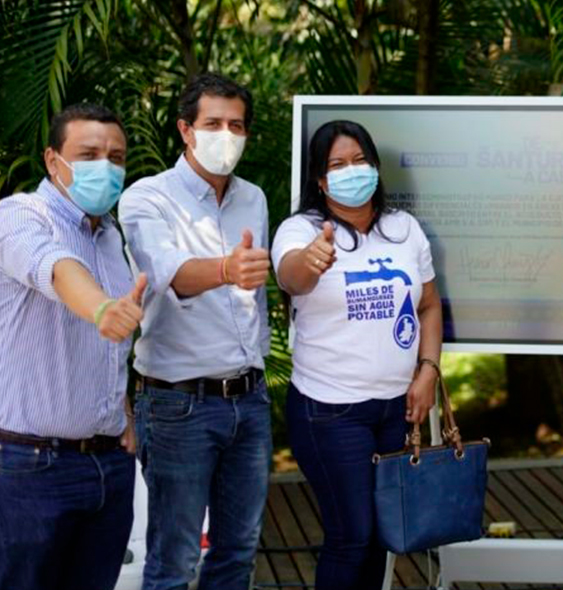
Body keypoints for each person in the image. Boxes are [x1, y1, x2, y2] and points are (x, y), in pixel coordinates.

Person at [272, 120, 442, 589]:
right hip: (331, 412)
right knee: (352, 534)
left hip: (396, 410)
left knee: (380, 538)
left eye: (360, 161)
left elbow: (427, 306)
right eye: (337, 165)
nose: (352, 172)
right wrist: (309, 261)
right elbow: (290, 277)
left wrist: (428, 370)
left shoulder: (403, 229)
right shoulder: (300, 230)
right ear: (321, 180)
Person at [118, 73, 272, 590]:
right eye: (213, 124)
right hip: (178, 404)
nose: (226, 135)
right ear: (186, 130)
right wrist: (227, 269)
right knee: (174, 560)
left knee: (237, 552)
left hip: (249, 400)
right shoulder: (147, 198)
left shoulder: (253, 198)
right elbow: (169, 274)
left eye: (236, 125)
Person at [0, 103, 146, 590]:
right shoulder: (21, 216)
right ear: (52, 160)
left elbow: (100, 349)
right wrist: (104, 310)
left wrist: (121, 409)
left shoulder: (110, 235)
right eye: (88, 153)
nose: (106, 167)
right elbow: (57, 268)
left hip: (108, 466)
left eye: (117, 156)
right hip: (30, 468)